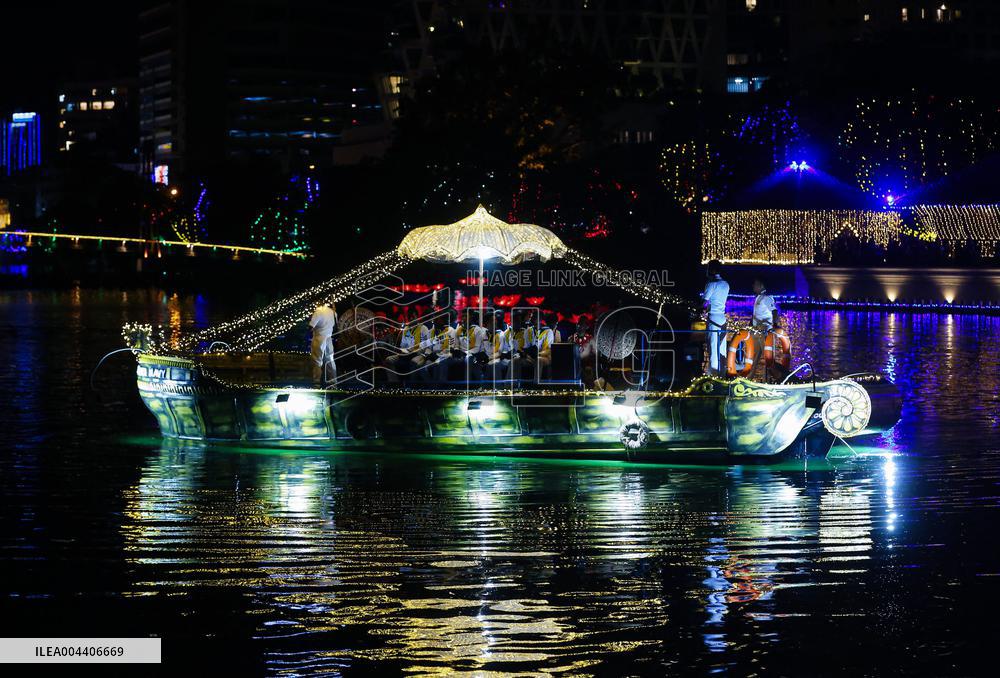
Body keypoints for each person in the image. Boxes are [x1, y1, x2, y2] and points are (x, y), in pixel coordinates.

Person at [384, 309, 431, 382]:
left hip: (419, 354)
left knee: (413, 361)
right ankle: (394, 383)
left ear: (417, 317)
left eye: (413, 316)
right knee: (388, 360)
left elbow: (427, 346)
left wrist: (414, 351)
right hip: (406, 354)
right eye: (409, 317)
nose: (411, 318)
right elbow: (403, 345)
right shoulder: (406, 329)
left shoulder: (423, 328)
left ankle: (413, 385)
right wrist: (402, 351)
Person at [700, 260, 729, 377]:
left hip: (713, 318)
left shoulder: (711, 284)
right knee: (722, 348)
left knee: (713, 348)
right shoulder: (726, 284)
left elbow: (704, 303)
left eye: (708, 268)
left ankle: (714, 376)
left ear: (711, 270)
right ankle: (723, 374)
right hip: (722, 318)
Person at [308, 301, 337, 385]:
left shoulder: (318, 311)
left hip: (319, 337)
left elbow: (311, 326)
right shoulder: (332, 312)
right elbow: (335, 326)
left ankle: (316, 381)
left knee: (317, 360)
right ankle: (333, 381)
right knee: (330, 360)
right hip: (329, 338)